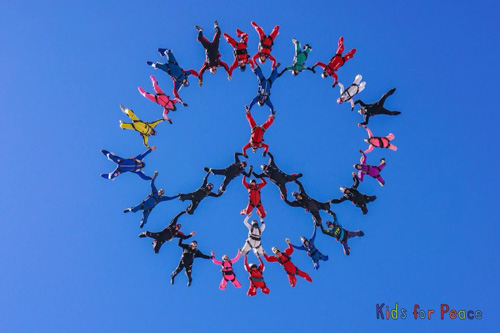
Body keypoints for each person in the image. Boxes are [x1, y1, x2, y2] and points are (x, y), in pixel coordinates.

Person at [195, 21, 230, 85]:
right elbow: (225, 65)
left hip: (208, 48)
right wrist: (229, 73)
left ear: (210, 70)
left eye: (213, 70)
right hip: (215, 47)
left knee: (199, 38)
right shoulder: (217, 63)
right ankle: (216, 26)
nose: (214, 69)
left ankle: (200, 30)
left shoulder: (207, 66)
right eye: (215, 70)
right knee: (218, 32)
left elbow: (201, 72)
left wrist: (200, 80)